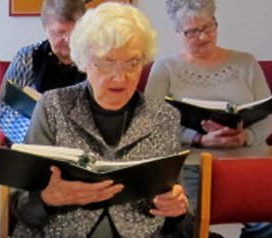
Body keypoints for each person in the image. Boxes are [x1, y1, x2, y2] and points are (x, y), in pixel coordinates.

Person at [10, 3, 190, 237]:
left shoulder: (164, 117)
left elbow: (180, 217)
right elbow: (21, 205)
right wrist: (47, 199)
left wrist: (177, 210)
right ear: (84, 62)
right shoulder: (53, 107)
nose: (120, 76)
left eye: (132, 63)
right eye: (106, 62)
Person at [145, 0, 272, 237]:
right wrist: (198, 139)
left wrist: (246, 136)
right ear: (177, 32)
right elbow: (151, 124)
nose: (203, 37)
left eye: (209, 27)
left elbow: (269, 118)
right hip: (192, 166)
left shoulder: (246, 62)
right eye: (193, 31)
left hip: (247, 165)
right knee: (183, 224)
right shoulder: (165, 68)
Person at [0, 0, 87, 144]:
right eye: (60, 32)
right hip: (34, 144)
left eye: (74, 32)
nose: (68, 40)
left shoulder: (95, 62)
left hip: (82, 146)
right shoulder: (27, 58)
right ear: (45, 28)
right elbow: (4, 111)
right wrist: (39, 136)